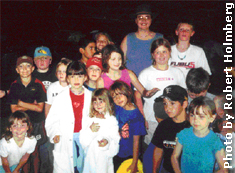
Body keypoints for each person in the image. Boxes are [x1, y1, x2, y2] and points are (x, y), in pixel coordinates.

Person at [135, 38, 186, 145]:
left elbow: (184, 96)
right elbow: (137, 96)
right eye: (157, 52)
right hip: (152, 120)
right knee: (153, 151)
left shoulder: (177, 72)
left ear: (169, 53)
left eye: (164, 51)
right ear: (153, 55)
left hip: (174, 120)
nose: (161, 55)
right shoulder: (146, 73)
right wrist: (142, 117)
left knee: (173, 150)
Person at [45, 61, 92, 173]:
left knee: (85, 163)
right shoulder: (61, 97)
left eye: (80, 76)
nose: (76, 80)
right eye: (72, 76)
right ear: (67, 79)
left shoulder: (91, 97)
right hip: (65, 135)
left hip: (84, 134)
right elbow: (52, 119)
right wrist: (55, 132)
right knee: (67, 164)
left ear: (85, 78)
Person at [7, 55, 47, 173]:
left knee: (35, 152)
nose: (25, 69)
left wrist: (21, 103)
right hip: (21, 124)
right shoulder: (14, 85)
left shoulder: (38, 84)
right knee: (23, 153)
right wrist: (31, 105)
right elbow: (14, 110)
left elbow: (40, 108)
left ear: (32, 69)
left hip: (36, 123)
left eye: (28, 66)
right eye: (21, 67)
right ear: (17, 70)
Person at [171, 96, 227, 173]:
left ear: (212, 118)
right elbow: (174, 156)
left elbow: (224, 169)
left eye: (201, 117)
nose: (195, 120)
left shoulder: (215, 141)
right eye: (192, 115)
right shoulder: (184, 134)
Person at [150, 85, 190, 173]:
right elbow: (159, 149)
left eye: (172, 103)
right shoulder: (163, 125)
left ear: (184, 104)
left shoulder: (193, 126)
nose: (167, 108)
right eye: (165, 103)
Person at [109, 81, 147, 173]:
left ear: (128, 93)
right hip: (116, 151)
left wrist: (134, 163)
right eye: (114, 96)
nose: (118, 98)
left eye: (120, 94)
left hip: (129, 154)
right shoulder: (118, 107)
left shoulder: (135, 116)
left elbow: (136, 141)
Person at [79, 88, 120, 173]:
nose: (98, 105)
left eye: (101, 101)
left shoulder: (111, 120)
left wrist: (107, 142)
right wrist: (91, 131)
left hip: (104, 162)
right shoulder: (89, 119)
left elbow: (115, 141)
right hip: (90, 161)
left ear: (107, 102)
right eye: (95, 102)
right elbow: (83, 142)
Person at [120, 4, 163, 76]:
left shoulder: (159, 38)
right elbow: (120, 62)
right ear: (136, 21)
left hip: (153, 80)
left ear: (151, 20)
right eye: (140, 18)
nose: (144, 20)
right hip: (131, 82)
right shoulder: (128, 38)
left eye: (147, 17)